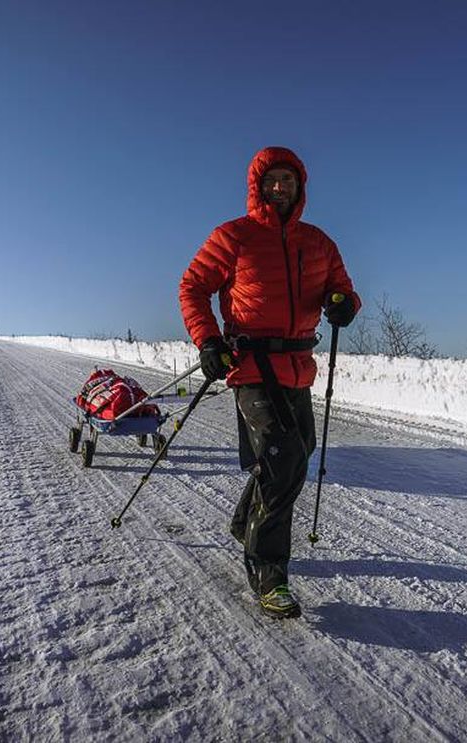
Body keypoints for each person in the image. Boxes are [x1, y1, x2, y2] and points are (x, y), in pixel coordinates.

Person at [179, 146, 360, 619]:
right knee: (282, 459)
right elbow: (193, 287)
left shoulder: (318, 242)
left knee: (296, 453)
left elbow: (340, 288)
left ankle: (245, 522)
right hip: (250, 366)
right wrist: (208, 341)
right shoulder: (232, 236)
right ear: (257, 186)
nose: (280, 188)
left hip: (297, 367)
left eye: (289, 180)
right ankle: (268, 571)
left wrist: (343, 302)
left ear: (300, 187)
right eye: (272, 180)